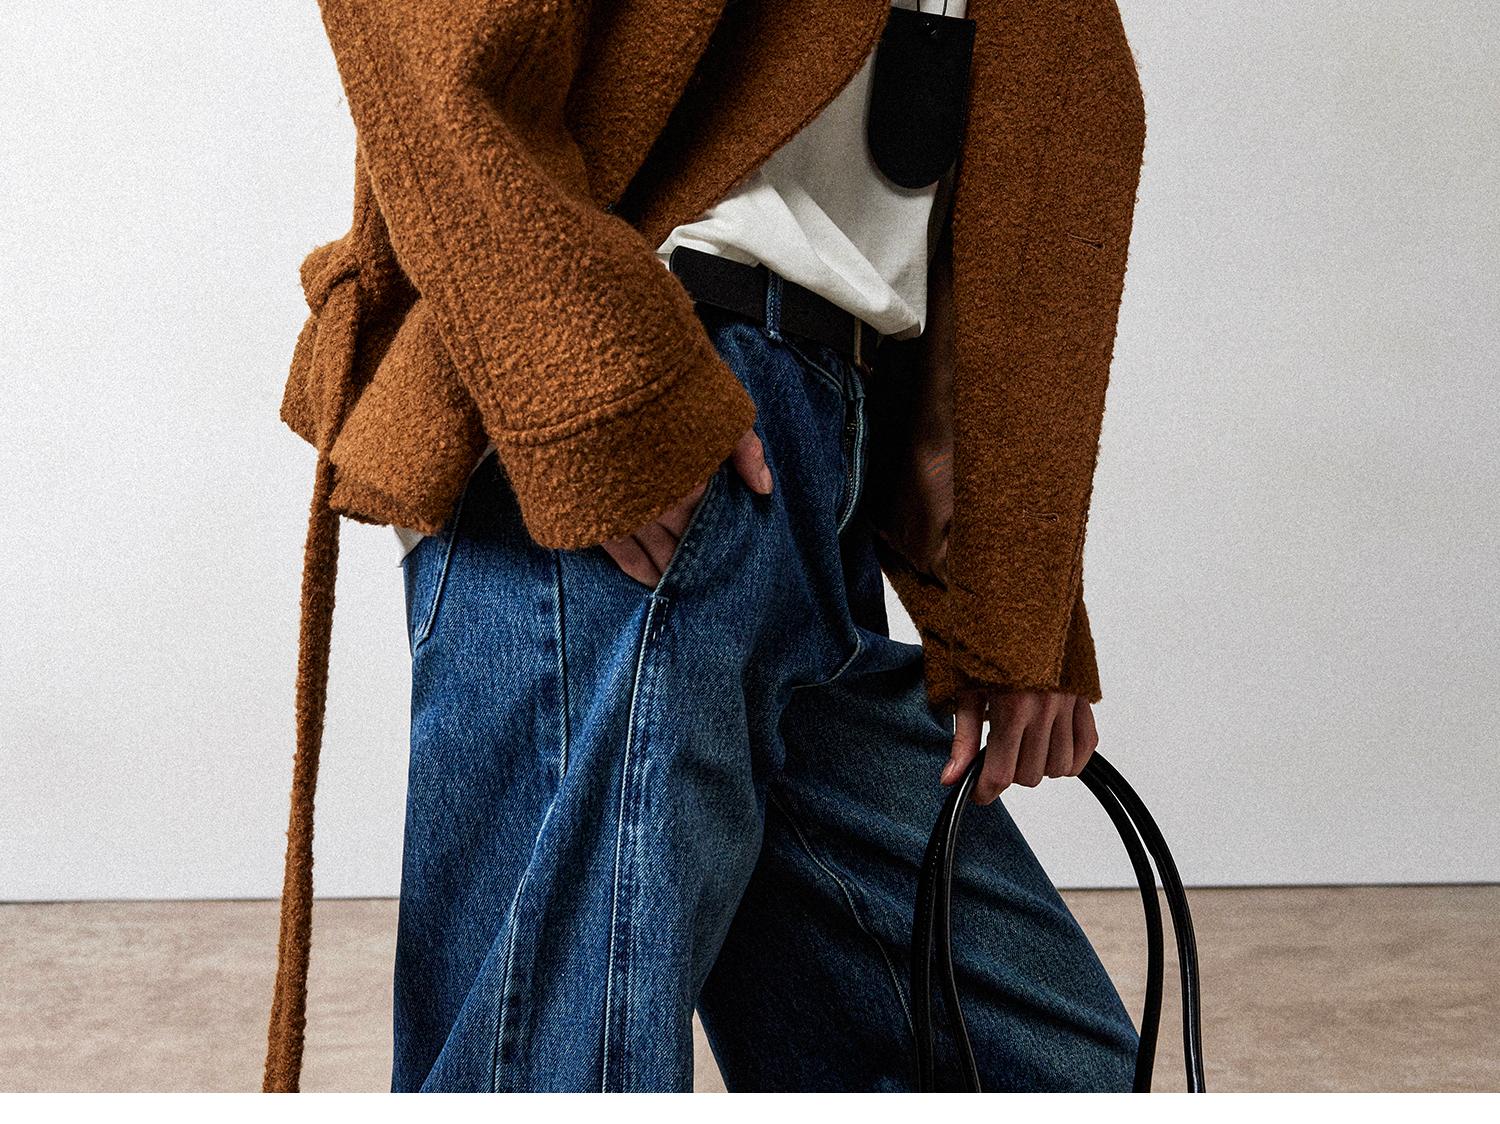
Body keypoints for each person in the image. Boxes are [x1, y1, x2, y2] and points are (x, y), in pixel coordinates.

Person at [266, 0, 1148, 1094]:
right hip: (636, 407)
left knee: (1051, 1072)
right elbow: (421, 35)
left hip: (823, 457)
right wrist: (597, 390)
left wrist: (1015, 578)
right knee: (558, 1081)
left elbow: (1032, 117)